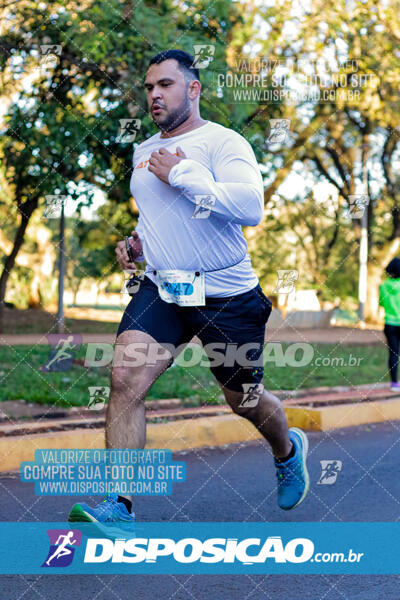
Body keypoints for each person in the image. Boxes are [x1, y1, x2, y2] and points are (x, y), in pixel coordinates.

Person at [68, 49, 309, 529]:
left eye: (166, 85)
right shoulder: (142, 152)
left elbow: (249, 207)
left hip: (227, 294)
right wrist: (138, 244)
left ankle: (287, 448)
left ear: (193, 89)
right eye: (150, 87)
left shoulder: (224, 143)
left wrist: (181, 173)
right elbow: (158, 216)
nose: (155, 95)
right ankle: (120, 506)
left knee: (242, 400)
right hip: (165, 289)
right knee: (125, 380)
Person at [379, 257, 400, 390]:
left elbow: (381, 303)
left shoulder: (384, 286)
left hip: (390, 324)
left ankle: (394, 383)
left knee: (393, 353)